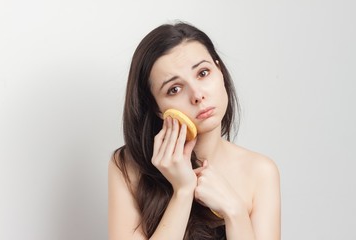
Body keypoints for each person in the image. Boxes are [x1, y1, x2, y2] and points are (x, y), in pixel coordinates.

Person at [108, 21, 281, 240]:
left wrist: (235, 212)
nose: (197, 95)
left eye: (203, 73)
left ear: (221, 73)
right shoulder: (128, 165)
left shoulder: (260, 171)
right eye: (174, 89)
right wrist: (183, 192)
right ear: (157, 108)